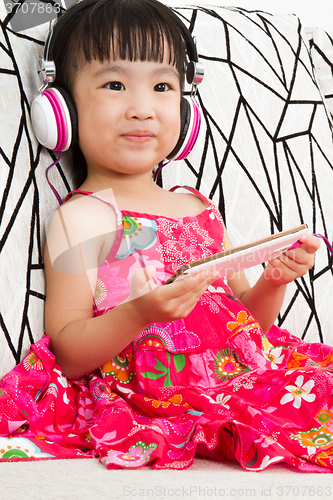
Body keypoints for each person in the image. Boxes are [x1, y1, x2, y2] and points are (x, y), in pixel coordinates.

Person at [1, 0, 332, 473]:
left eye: (161, 87)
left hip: (249, 377)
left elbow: (249, 329)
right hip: (164, 390)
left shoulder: (198, 207)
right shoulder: (84, 218)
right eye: (114, 85)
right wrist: (140, 313)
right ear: (63, 110)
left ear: (184, 109)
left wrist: (274, 281)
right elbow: (69, 352)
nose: (143, 110)